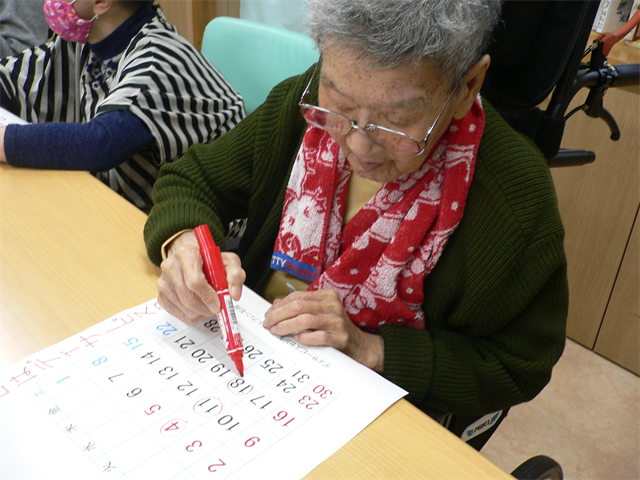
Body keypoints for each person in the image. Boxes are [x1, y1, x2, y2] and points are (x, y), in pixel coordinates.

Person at [143, 0, 569, 449]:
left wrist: (371, 348)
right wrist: (186, 243)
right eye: (340, 103)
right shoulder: (302, 105)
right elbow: (194, 179)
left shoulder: (514, 196)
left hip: (381, 420)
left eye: (398, 121)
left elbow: (520, 363)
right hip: (247, 368)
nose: (359, 144)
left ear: (468, 86)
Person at [0, 0, 244, 212]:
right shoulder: (88, 38)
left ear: (102, 2)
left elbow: (100, 143)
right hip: (115, 203)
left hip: (195, 226)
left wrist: (5, 139)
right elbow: (13, 79)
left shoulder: (158, 61)